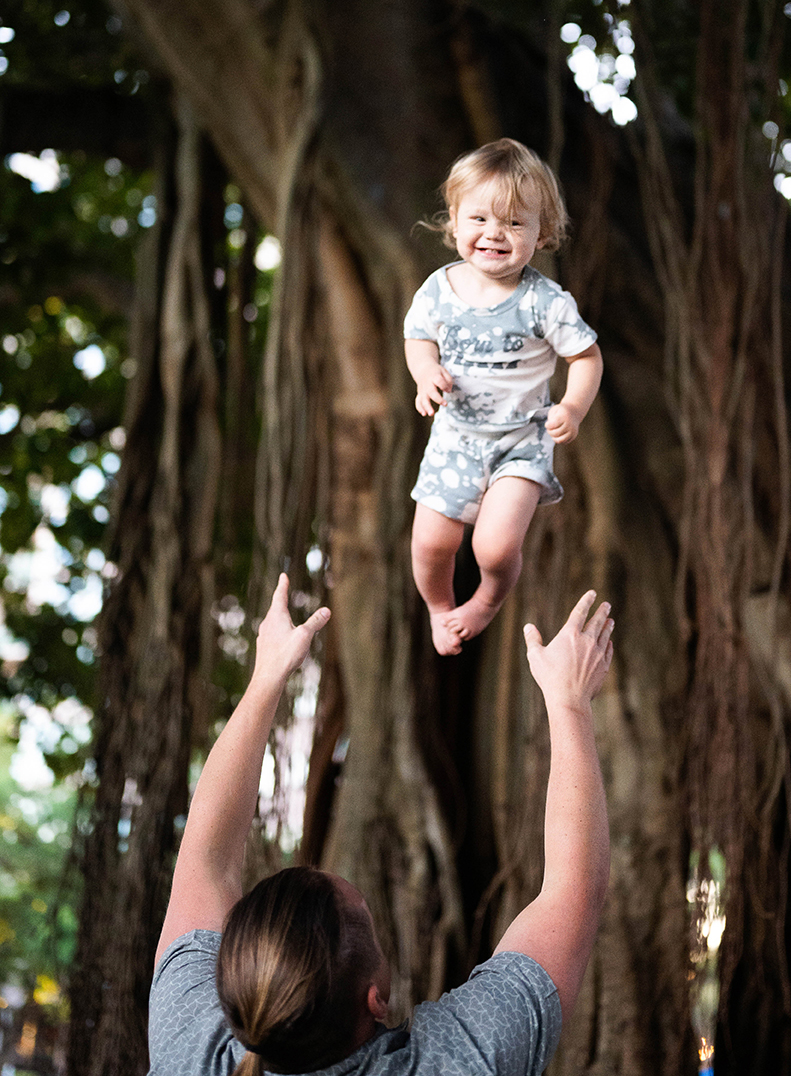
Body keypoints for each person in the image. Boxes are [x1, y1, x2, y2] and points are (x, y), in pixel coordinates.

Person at [147, 573, 613, 1076]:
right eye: (365, 917)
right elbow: (573, 892)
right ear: (375, 1001)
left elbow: (204, 861)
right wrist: (568, 701)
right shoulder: (454, 1062)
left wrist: (265, 681)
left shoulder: (192, 1051)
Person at [405, 139, 603, 655]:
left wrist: (573, 407)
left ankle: (488, 600)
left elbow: (586, 357)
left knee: (493, 547)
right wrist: (425, 372)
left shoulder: (545, 302)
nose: (495, 232)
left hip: (522, 441)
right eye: (480, 219)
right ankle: (439, 609)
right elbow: (417, 338)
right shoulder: (438, 289)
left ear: (542, 235)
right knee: (430, 543)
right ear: (453, 220)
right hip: (456, 438)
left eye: (515, 223)